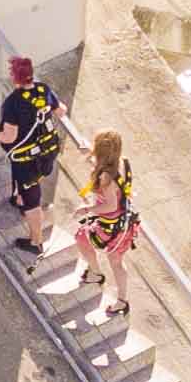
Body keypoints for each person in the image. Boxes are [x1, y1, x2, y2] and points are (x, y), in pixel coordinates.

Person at [0, 55, 65, 253]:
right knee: (30, 184)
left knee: (32, 200)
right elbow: (61, 111)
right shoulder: (43, 89)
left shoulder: (12, 102)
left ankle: (36, 242)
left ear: (14, 78)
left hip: (27, 161)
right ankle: (19, 198)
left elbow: (9, 137)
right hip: (46, 153)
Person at [73, 130, 141, 321]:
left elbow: (109, 204)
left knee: (81, 238)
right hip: (124, 225)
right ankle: (122, 300)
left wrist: (87, 209)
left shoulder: (105, 178)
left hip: (109, 224)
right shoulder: (123, 162)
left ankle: (95, 273)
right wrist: (91, 156)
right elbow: (111, 176)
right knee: (117, 263)